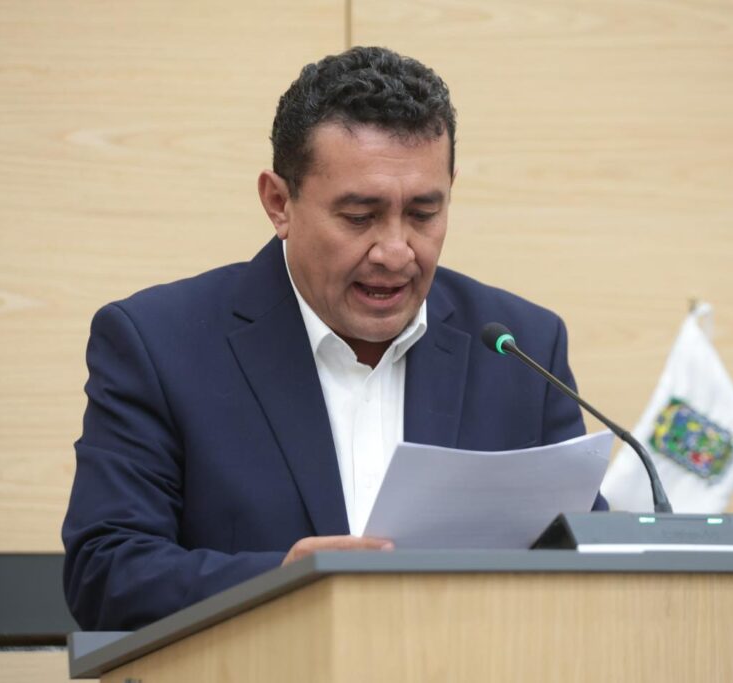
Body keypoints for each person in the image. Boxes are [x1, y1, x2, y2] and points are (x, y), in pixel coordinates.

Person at [62, 46, 607, 631]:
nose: (395, 252)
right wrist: (281, 581)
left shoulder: (520, 349)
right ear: (279, 203)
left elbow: (589, 561)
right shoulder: (159, 344)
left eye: (423, 214)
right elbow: (107, 571)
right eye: (359, 217)